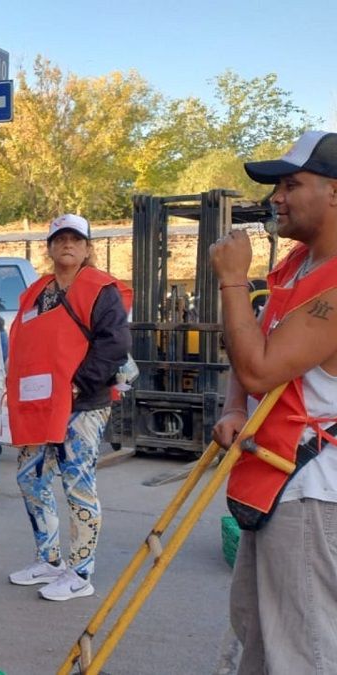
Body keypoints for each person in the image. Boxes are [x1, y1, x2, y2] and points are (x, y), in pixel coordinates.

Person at [210, 130, 337, 674]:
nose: (276, 197)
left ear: (334, 192)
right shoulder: (293, 268)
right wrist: (235, 407)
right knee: (258, 633)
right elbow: (247, 357)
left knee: (303, 648)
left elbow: (262, 364)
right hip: (275, 478)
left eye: (291, 183)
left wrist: (234, 281)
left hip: (312, 490)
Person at [5, 214, 131, 601]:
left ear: (88, 247)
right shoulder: (37, 292)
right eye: (60, 239)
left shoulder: (100, 289)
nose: (68, 245)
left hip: (82, 404)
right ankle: (49, 559)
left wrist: (78, 384)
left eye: (76, 239)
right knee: (30, 478)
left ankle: (80, 572)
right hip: (40, 404)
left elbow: (114, 344)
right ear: (49, 247)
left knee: (78, 486)